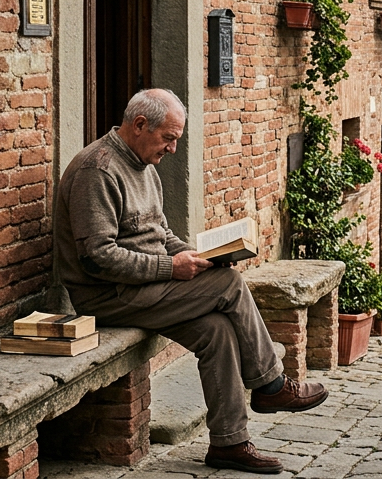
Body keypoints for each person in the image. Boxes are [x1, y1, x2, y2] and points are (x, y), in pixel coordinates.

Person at [53, 89, 326, 475]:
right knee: (229, 284)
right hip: (107, 297)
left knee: (215, 330)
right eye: (169, 138)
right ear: (139, 125)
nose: (173, 149)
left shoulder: (144, 165)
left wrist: (199, 258)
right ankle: (271, 384)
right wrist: (172, 269)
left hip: (144, 289)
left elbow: (161, 234)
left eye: (177, 140)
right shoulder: (96, 171)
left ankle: (229, 443)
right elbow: (96, 258)